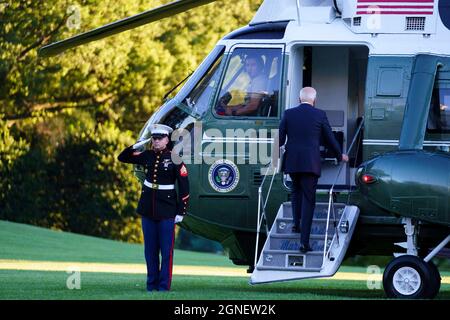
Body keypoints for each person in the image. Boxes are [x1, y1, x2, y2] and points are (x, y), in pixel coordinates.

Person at [117, 124, 189, 291]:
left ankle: (163, 287)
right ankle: (151, 285)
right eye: (154, 138)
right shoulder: (147, 155)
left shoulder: (175, 158)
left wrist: (181, 211)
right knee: (150, 251)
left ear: (166, 140)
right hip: (148, 208)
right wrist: (138, 144)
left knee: (166, 252)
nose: (156, 141)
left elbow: (185, 187)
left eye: (159, 138)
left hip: (167, 210)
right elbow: (123, 157)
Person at [279, 87, 349, 253]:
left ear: (299, 99)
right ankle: (304, 242)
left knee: (295, 191)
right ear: (314, 100)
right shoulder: (320, 115)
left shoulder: (288, 114)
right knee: (309, 200)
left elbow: (280, 139)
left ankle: (296, 224)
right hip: (310, 163)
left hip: (293, 163)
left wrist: (274, 158)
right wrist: (340, 156)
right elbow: (330, 138)